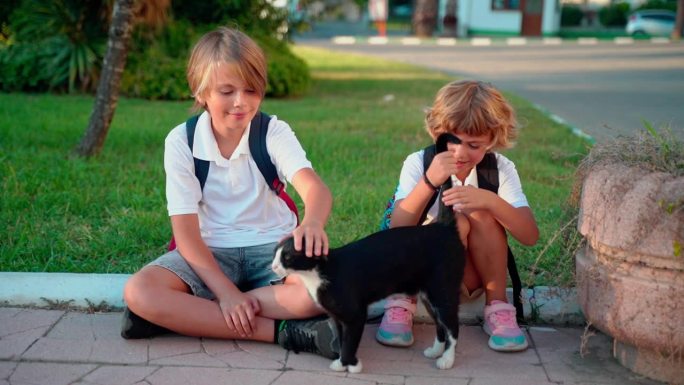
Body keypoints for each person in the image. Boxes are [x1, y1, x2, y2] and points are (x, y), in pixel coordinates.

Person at [121, 27, 338, 359]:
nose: (241, 102)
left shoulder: (272, 132)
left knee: (320, 292)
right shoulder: (182, 141)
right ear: (200, 91)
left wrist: (312, 223)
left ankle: (191, 316)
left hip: (272, 248)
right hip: (209, 253)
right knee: (140, 292)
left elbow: (315, 188)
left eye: (251, 90)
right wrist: (226, 294)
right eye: (226, 91)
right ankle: (286, 333)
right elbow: (186, 233)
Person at [376, 80, 539, 352]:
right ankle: (401, 303)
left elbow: (530, 236)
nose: (460, 153)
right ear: (436, 131)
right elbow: (398, 227)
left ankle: (497, 307)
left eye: (474, 145)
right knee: (453, 221)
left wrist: (491, 202)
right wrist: (429, 182)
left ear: (492, 140)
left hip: (474, 275)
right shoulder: (420, 163)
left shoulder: (500, 170)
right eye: (451, 142)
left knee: (481, 216)